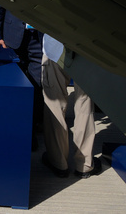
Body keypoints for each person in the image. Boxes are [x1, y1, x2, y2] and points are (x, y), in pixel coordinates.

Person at [41, 34, 99, 179]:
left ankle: (58, 162)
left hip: (55, 47)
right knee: (85, 106)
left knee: (55, 106)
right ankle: (84, 164)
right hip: (87, 49)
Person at [0, 5, 44, 146]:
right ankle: (12, 130)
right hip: (11, 37)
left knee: (36, 87)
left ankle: (30, 132)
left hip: (40, 37)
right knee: (14, 88)